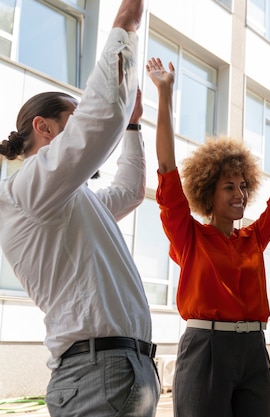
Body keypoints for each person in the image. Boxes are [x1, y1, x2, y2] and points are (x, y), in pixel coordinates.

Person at [0, 1, 161, 416]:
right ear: (44, 126)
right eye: (71, 117)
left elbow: (129, 191)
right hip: (96, 373)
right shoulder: (27, 187)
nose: (80, 125)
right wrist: (125, 25)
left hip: (124, 369)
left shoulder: (72, 199)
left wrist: (133, 127)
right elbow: (99, 120)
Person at [147, 56, 270, 417]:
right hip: (206, 346)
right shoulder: (189, 235)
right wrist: (164, 94)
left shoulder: (253, 237)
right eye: (228, 187)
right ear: (209, 193)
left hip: (254, 348)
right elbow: (166, 168)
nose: (239, 193)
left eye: (242, 186)